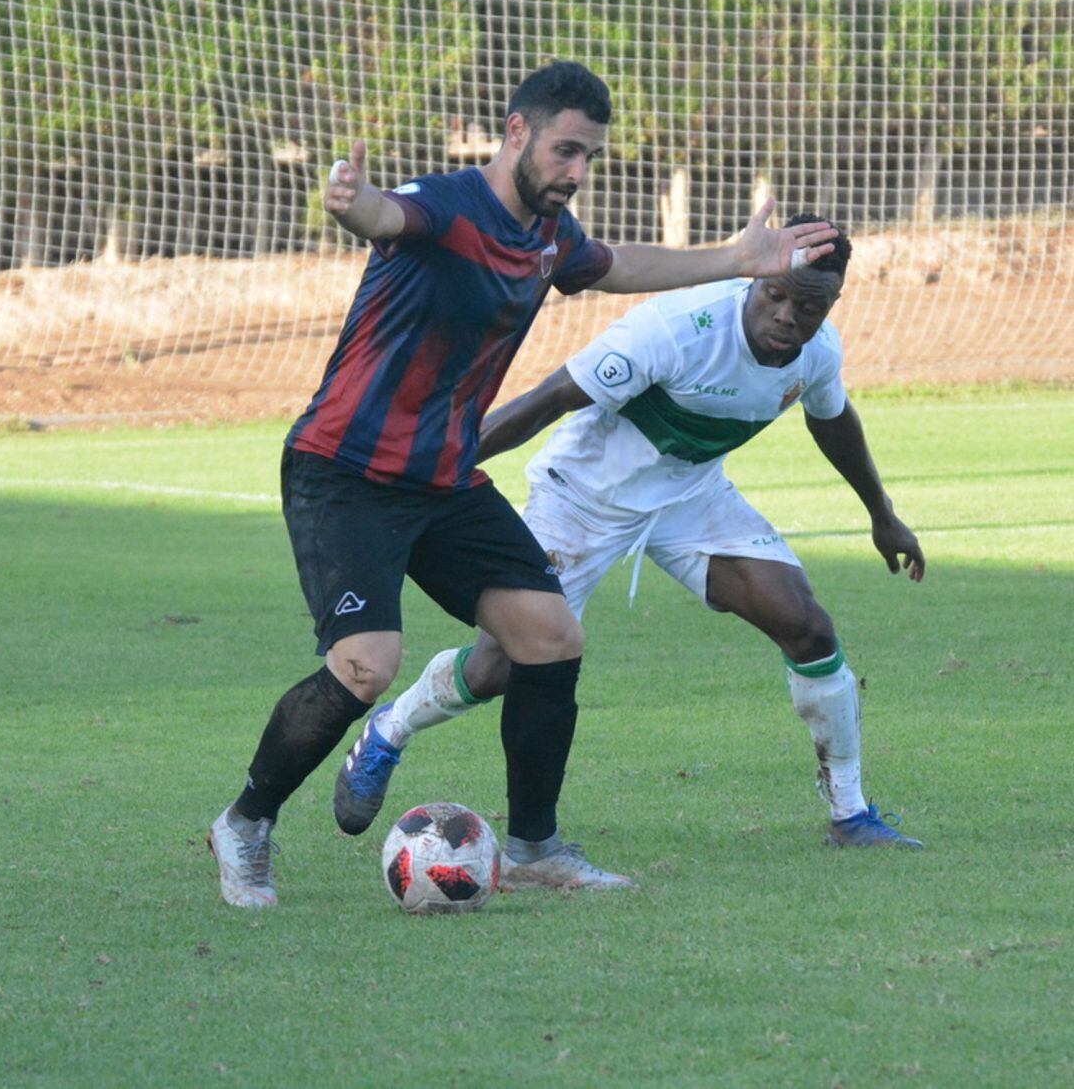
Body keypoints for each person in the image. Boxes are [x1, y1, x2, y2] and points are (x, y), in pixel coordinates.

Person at [207, 60, 839, 907]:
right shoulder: (449, 204)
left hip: (442, 478)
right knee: (366, 665)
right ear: (516, 134)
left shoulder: (552, 237)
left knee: (549, 635)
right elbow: (391, 215)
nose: (576, 172)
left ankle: (536, 845)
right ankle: (246, 822)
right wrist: (353, 202)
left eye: (590, 159)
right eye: (567, 151)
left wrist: (731, 256)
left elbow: (615, 266)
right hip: (345, 471)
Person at [340, 215, 927, 873]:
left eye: (809, 305)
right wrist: (426, 467)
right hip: (582, 497)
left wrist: (883, 514)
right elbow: (546, 400)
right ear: (756, 280)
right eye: (775, 296)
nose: (788, 316)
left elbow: (834, 418)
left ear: (832, 304)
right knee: (502, 666)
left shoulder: (818, 354)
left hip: (688, 495)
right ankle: (390, 729)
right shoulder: (676, 328)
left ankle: (849, 814)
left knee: (807, 625)